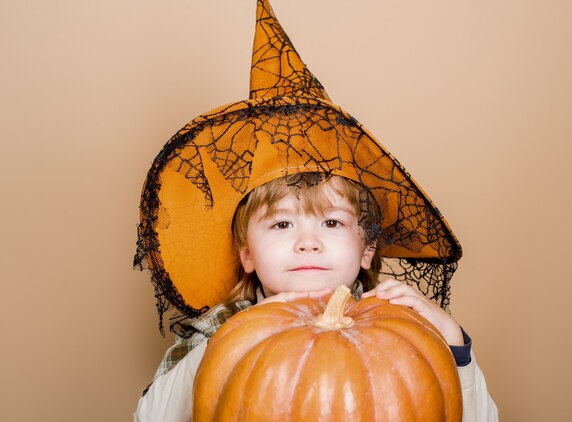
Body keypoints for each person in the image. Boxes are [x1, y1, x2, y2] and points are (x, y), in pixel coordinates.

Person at [134, 1, 497, 420]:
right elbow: (151, 417)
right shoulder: (218, 329)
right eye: (282, 223)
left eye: (331, 222)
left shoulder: (400, 326)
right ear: (247, 253)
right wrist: (237, 342)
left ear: (366, 248)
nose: (307, 243)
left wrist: (452, 346)